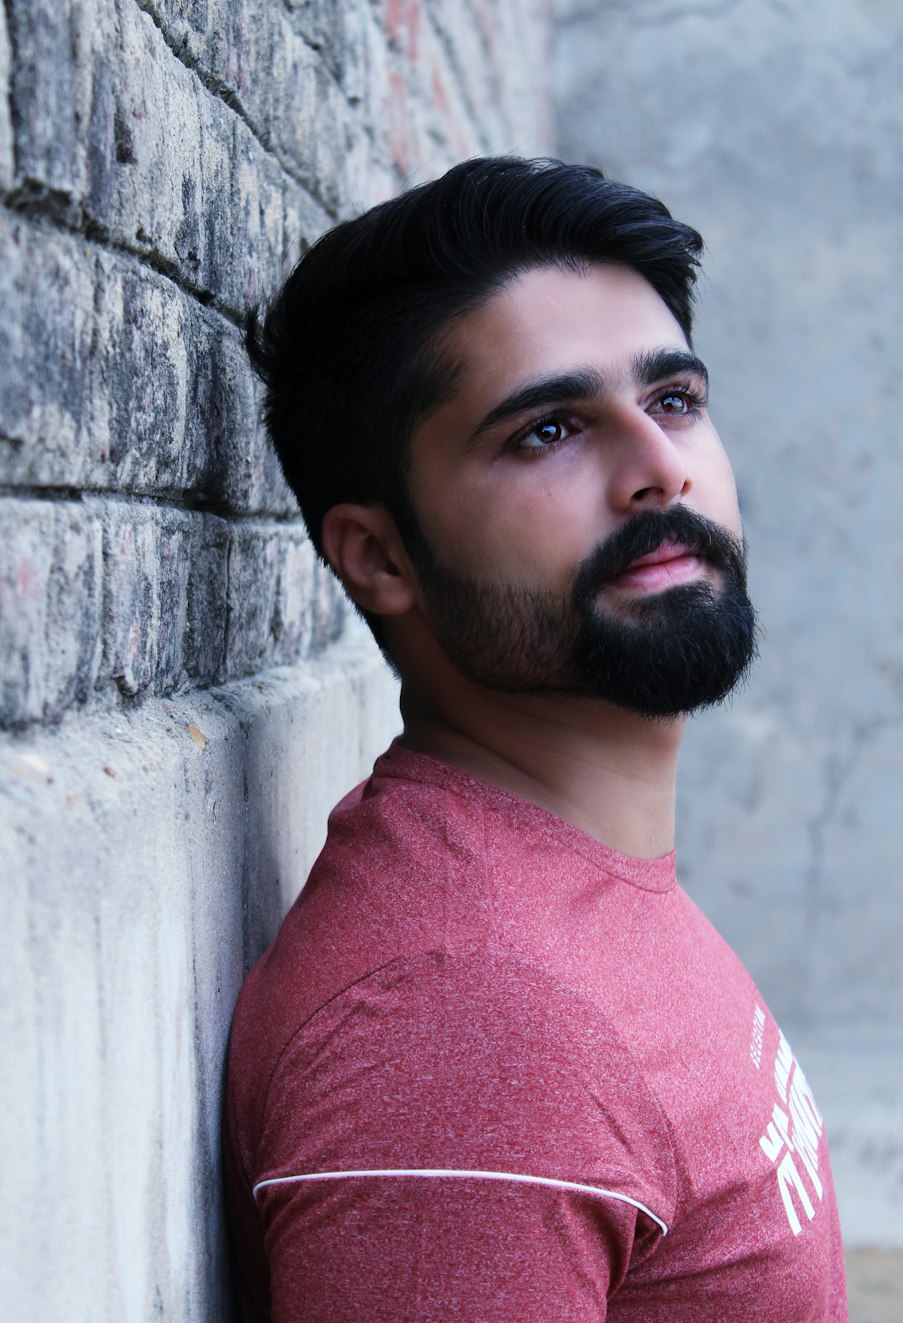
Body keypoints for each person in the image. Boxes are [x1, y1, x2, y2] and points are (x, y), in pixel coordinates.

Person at [223, 156, 848, 1321]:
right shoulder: (469, 1023)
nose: (659, 469)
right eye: (549, 429)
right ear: (380, 556)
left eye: (673, 401)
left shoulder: (554, 893)